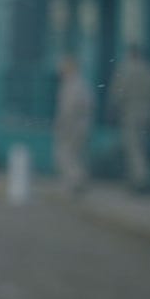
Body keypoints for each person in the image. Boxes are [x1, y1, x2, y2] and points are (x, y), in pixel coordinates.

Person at [108, 44, 150, 194]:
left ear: (130, 54)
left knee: (133, 148)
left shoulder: (125, 69)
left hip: (131, 112)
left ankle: (140, 181)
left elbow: (117, 93)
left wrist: (114, 111)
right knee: (142, 147)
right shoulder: (149, 70)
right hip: (148, 112)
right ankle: (143, 179)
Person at [52, 54, 94, 196]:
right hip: (81, 126)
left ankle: (75, 181)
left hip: (72, 126)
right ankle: (78, 181)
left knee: (65, 154)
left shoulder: (72, 84)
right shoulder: (81, 83)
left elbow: (68, 109)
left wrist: (62, 126)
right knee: (75, 155)